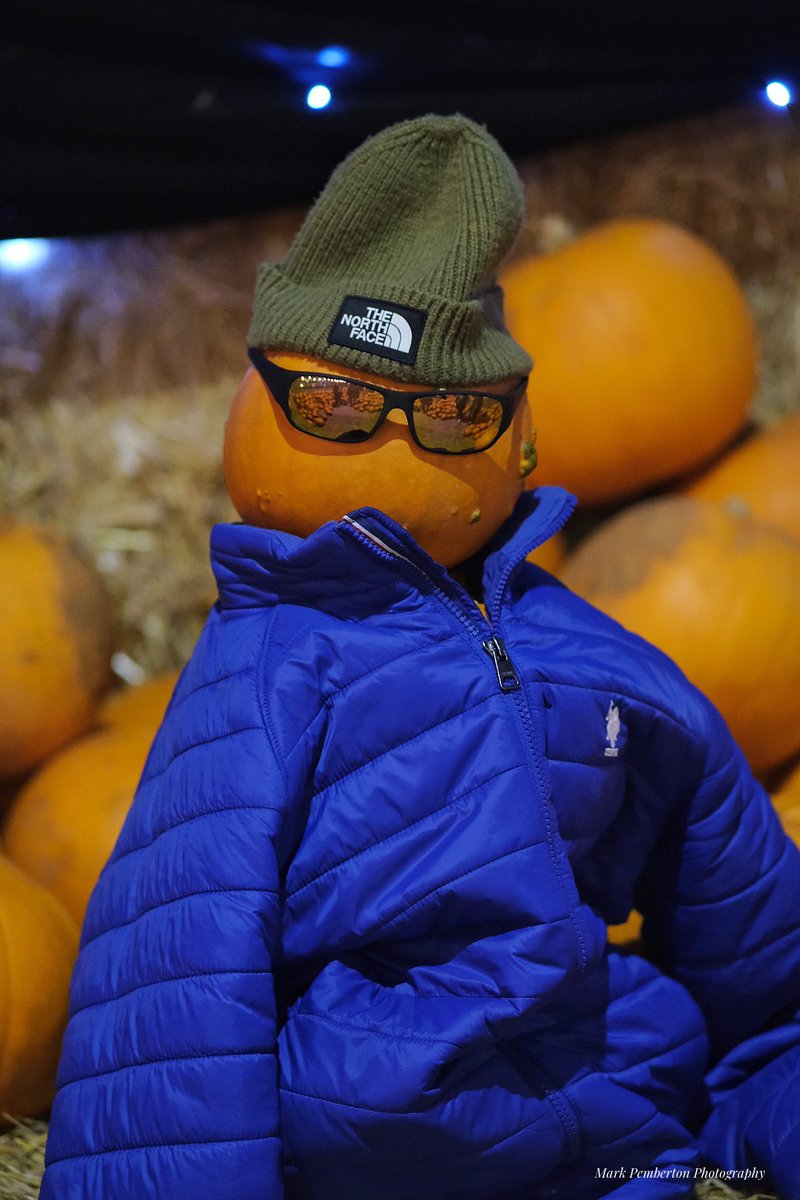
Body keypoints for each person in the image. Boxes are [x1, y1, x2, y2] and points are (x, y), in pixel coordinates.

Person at [40, 114, 800, 1200]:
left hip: (610, 1118)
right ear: (256, 403)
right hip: (377, 1135)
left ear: (516, 439)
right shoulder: (267, 674)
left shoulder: (590, 651)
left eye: (448, 416)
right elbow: (173, 981)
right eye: (337, 404)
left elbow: (751, 931)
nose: (390, 444)